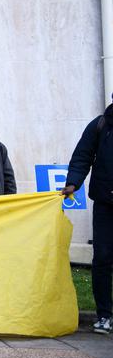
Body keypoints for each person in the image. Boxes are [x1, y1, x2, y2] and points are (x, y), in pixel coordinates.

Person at [62, 94, 113, 334]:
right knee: (102, 258)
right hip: (105, 203)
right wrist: (73, 183)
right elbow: (82, 156)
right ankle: (104, 315)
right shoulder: (100, 125)